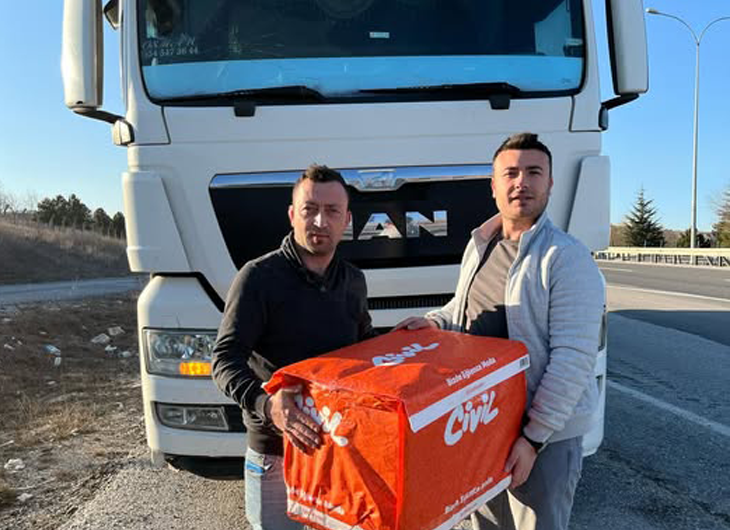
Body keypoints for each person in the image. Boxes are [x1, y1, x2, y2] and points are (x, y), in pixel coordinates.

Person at [395, 133, 605, 530]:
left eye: (534, 172)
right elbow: (464, 308)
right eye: (511, 173)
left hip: (543, 435)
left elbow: (573, 359)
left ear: (550, 184)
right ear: (493, 186)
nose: (521, 182)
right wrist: (435, 321)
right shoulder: (481, 244)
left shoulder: (566, 258)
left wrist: (533, 438)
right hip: (482, 423)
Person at [212, 164, 374, 530]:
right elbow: (224, 360)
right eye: (309, 209)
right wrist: (267, 405)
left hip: (339, 451)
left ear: (347, 220)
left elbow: (365, 347)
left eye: (332, 211)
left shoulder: (353, 280)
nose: (320, 221)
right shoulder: (258, 278)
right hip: (274, 456)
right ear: (291, 215)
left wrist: (406, 340)